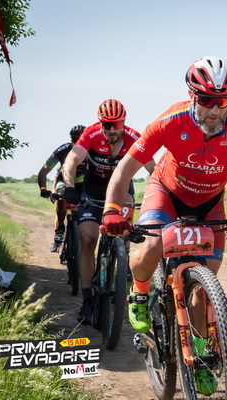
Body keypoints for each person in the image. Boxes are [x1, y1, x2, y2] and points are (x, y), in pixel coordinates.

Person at [101, 56, 227, 395]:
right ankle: (140, 292)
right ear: (192, 95)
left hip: (210, 203)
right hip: (167, 193)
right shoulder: (170, 120)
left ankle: (202, 358)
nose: (215, 109)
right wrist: (112, 210)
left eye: (223, 101)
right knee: (152, 245)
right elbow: (126, 168)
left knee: (202, 293)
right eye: (207, 100)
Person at [62, 99, 156, 325]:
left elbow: (154, 170)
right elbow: (71, 160)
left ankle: (121, 270)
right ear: (100, 123)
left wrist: (159, 197)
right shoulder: (92, 134)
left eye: (117, 124)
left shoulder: (134, 137)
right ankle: (87, 298)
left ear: (124, 122)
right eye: (107, 124)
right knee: (88, 239)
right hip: (93, 189)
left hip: (122, 190)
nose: (112, 130)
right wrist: (69, 187)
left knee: (123, 234)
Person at [37, 125, 87, 252]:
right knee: (61, 196)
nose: (78, 145)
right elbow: (43, 171)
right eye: (76, 141)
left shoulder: (92, 149)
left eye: (82, 142)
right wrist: (43, 189)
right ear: (71, 140)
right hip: (64, 180)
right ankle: (60, 228)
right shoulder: (63, 150)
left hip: (84, 182)